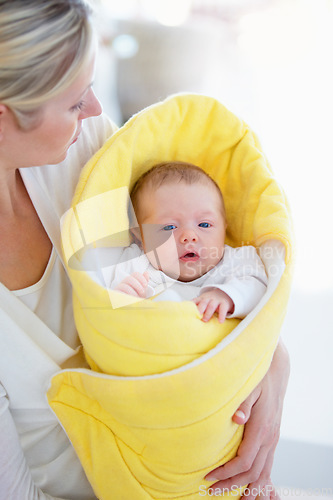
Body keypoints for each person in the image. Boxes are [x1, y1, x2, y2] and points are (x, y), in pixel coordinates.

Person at [0, 1, 290, 499]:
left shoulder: (85, 149)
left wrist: (269, 361)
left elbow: (191, 272)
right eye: (74, 100)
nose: (95, 109)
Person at [111, 161, 268, 324]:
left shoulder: (237, 262)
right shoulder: (136, 265)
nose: (189, 236)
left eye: (204, 224)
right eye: (169, 227)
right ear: (140, 237)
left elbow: (261, 289)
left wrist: (227, 296)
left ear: (224, 228)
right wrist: (126, 297)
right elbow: (106, 300)